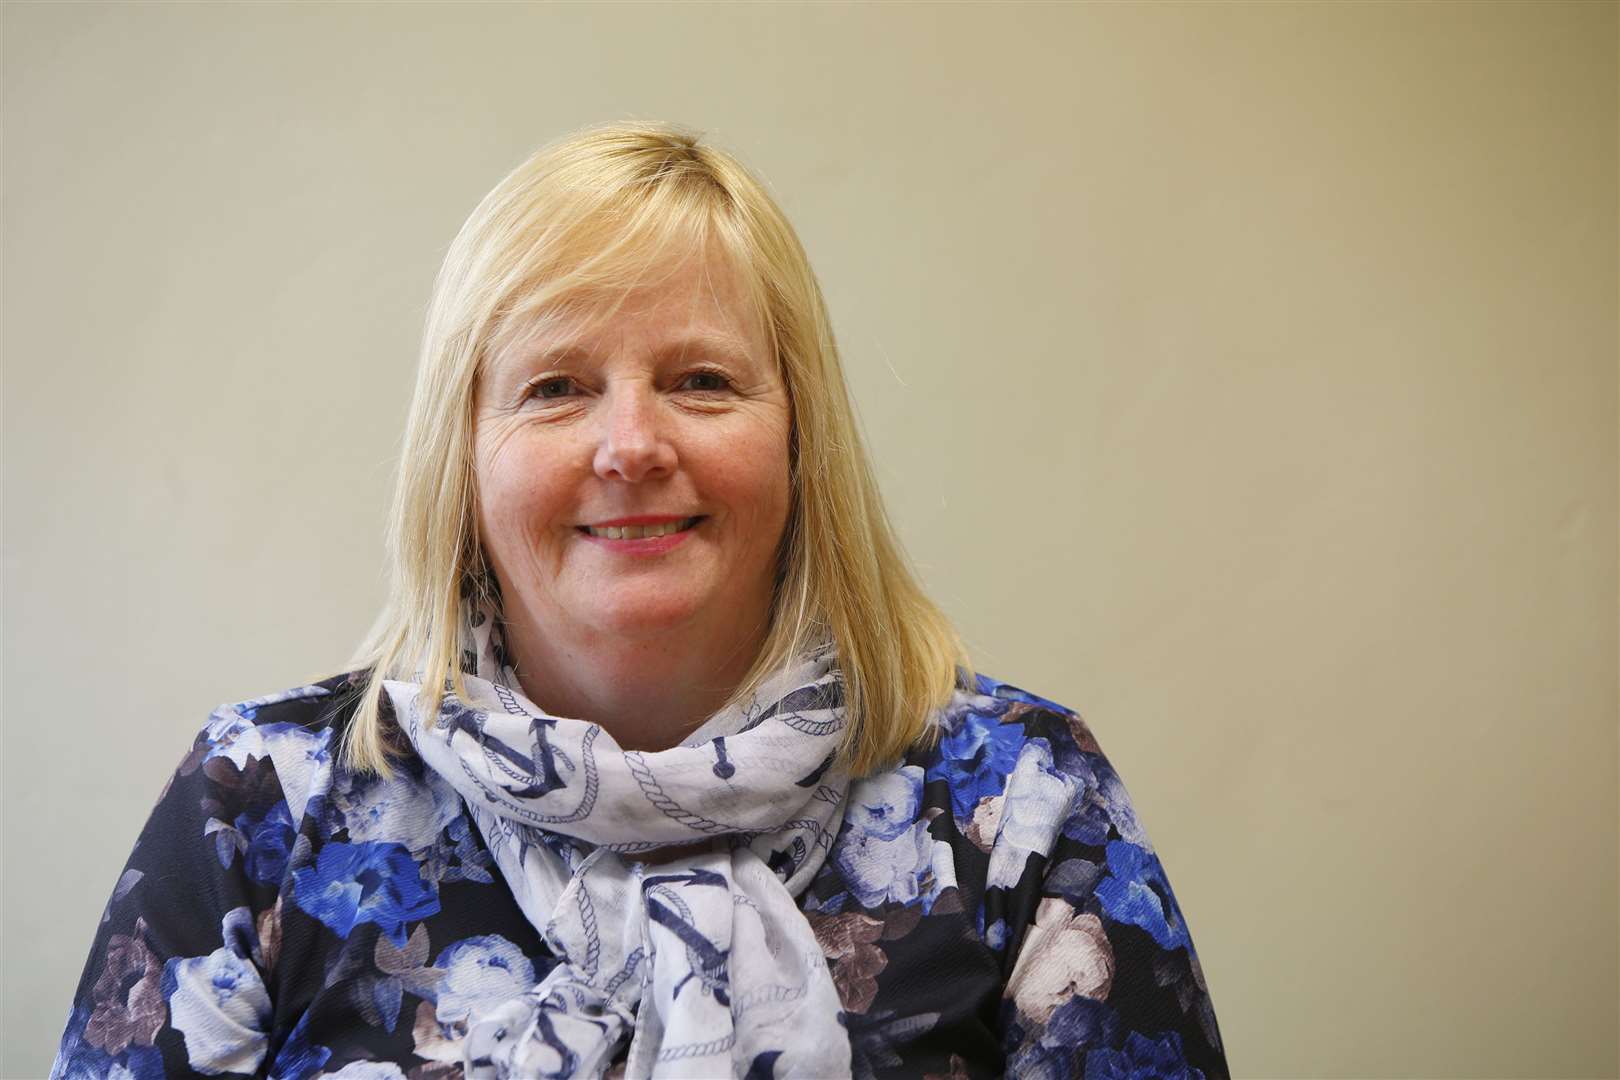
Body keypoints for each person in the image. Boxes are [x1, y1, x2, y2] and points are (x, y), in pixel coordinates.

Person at [51, 122, 1227, 1080]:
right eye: (556, 387)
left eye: (700, 381)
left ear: (800, 439)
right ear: (460, 456)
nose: (630, 444)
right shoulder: (257, 809)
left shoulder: (1021, 805)